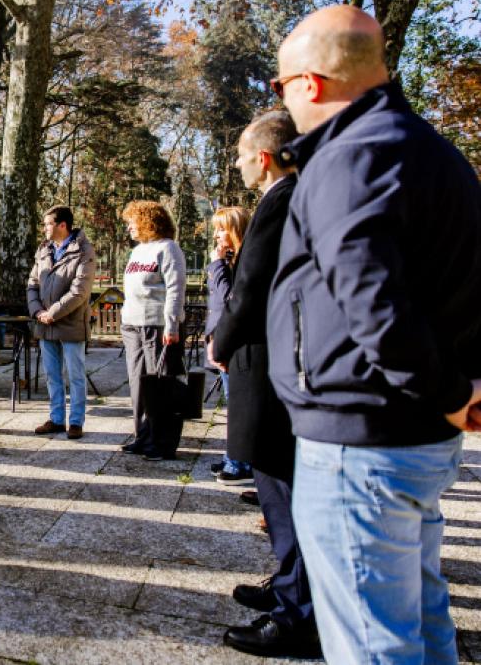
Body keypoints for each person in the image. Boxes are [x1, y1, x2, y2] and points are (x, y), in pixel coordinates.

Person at [267, 5, 481, 663]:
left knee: (372, 644)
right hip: (414, 435)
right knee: (422, 622)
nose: (282, 101)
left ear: (310, 83)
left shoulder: (348, 158)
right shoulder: (433, 151)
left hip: (360, 440)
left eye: (279, 87)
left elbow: (374, 302)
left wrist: (446, 388)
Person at [210, 111, 318, 658]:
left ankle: (298, 611)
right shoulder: (290, 197)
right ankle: (288, 585)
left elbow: (250, 287)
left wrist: (219, 340)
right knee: (275, 482)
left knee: (281, 481)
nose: (237, 163)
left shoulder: (281, 201)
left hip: (270, 360)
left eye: (241, 154)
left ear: (266, 157)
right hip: (272, 360)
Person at [118, 200, 187, 461]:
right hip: (132, 325)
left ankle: (162, 442)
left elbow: (175, 289)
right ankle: (142, 436)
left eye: (132, 222)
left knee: (161, 385)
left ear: (149, 221)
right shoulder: (138, 252)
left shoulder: (169, 249)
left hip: (158, 326)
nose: (129, 228)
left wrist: (171, 324)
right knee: (138, 383)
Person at [28, 206, 97, 439]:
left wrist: (53, 313)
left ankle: (76, 421)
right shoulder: (43, 249)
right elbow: (32, 283)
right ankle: (56, 419)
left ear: (62, 225)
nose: (44, 228)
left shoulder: (84, 251)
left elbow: (80, 291)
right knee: (51, 375)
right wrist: (37, 311)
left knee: (75, 375)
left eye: (48, 224)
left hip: (70, 323)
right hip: (44, 324)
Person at [204, 206, 253, 484]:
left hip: (235, 342)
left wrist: (217, 266)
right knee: (231, 403)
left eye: (222, 228)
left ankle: (240, 461)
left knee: (238, 404)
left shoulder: (240, 262)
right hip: (220, 338)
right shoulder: (230, 260)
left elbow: (227, 299)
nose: (217, 234)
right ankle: (232, 456)